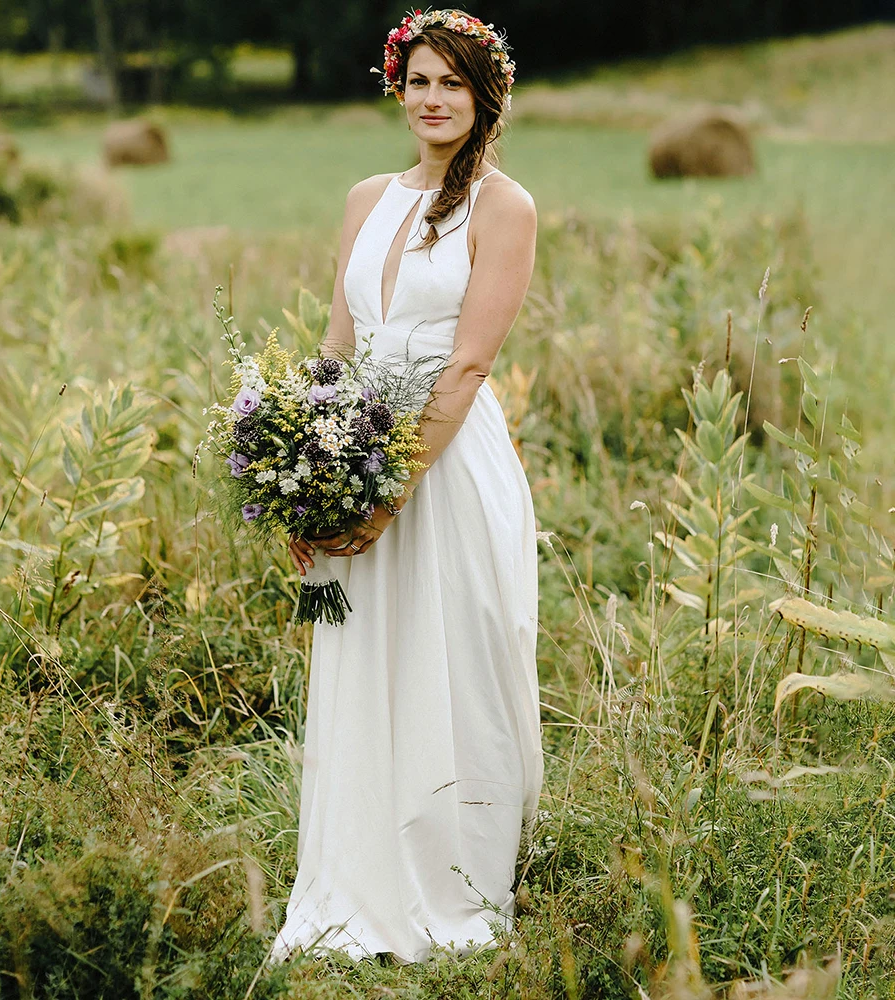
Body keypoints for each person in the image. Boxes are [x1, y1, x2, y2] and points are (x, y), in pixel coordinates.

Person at [270, 9, 543, 964]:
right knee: (362, 660)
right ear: (399, 87)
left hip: (447, 461)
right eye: (419, 81)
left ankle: (456, 889)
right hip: (351, 453)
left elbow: (467, 367)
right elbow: (338, 346)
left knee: (454, 666)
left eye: (452, 85)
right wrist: (304, 482)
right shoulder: (364, 197)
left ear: (484, 98)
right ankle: (355, 883)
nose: (433, 100)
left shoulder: (504, 207)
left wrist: (389, 492)